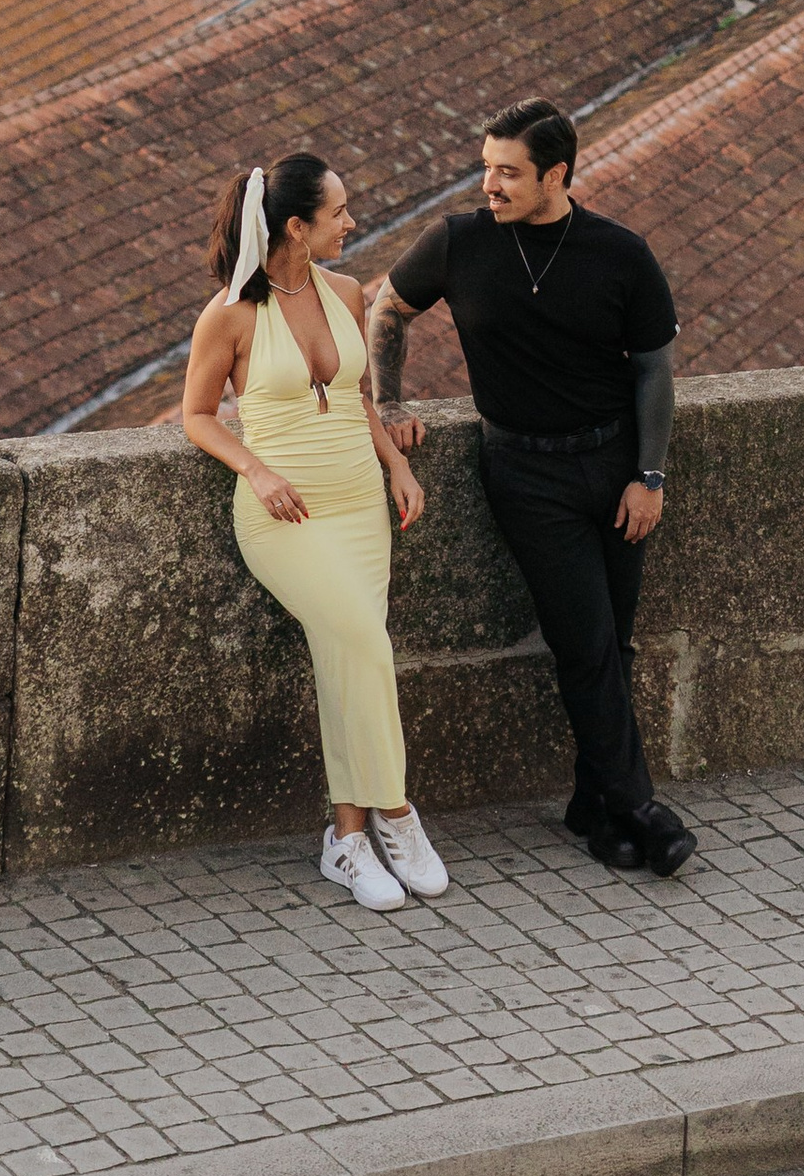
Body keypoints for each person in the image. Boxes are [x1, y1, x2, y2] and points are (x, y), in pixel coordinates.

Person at [368, 98, 695, 881]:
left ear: (556, 175)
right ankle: (641, 807)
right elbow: (388, 309)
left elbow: (654, 368)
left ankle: (595, 808)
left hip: (613, 465)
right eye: (487, 168)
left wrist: (649, 476)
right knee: (585, 642)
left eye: (508, 172)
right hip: (524, 474)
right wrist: (390, 402)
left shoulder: (619, 253)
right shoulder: (459, 242)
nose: (490, 185)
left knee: (613, 643)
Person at [181, 150, 450, 913]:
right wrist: (257, 471)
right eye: (338, 212)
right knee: (367, 644)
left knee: (345, 659)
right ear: (296, 227)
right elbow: (198, 415)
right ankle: (397, 813)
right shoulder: (229, 313)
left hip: (359, 503)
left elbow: (356, 395)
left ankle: (347, 841)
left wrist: (396, 464)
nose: (351, 222)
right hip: (284, 515)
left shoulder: (345, 290)